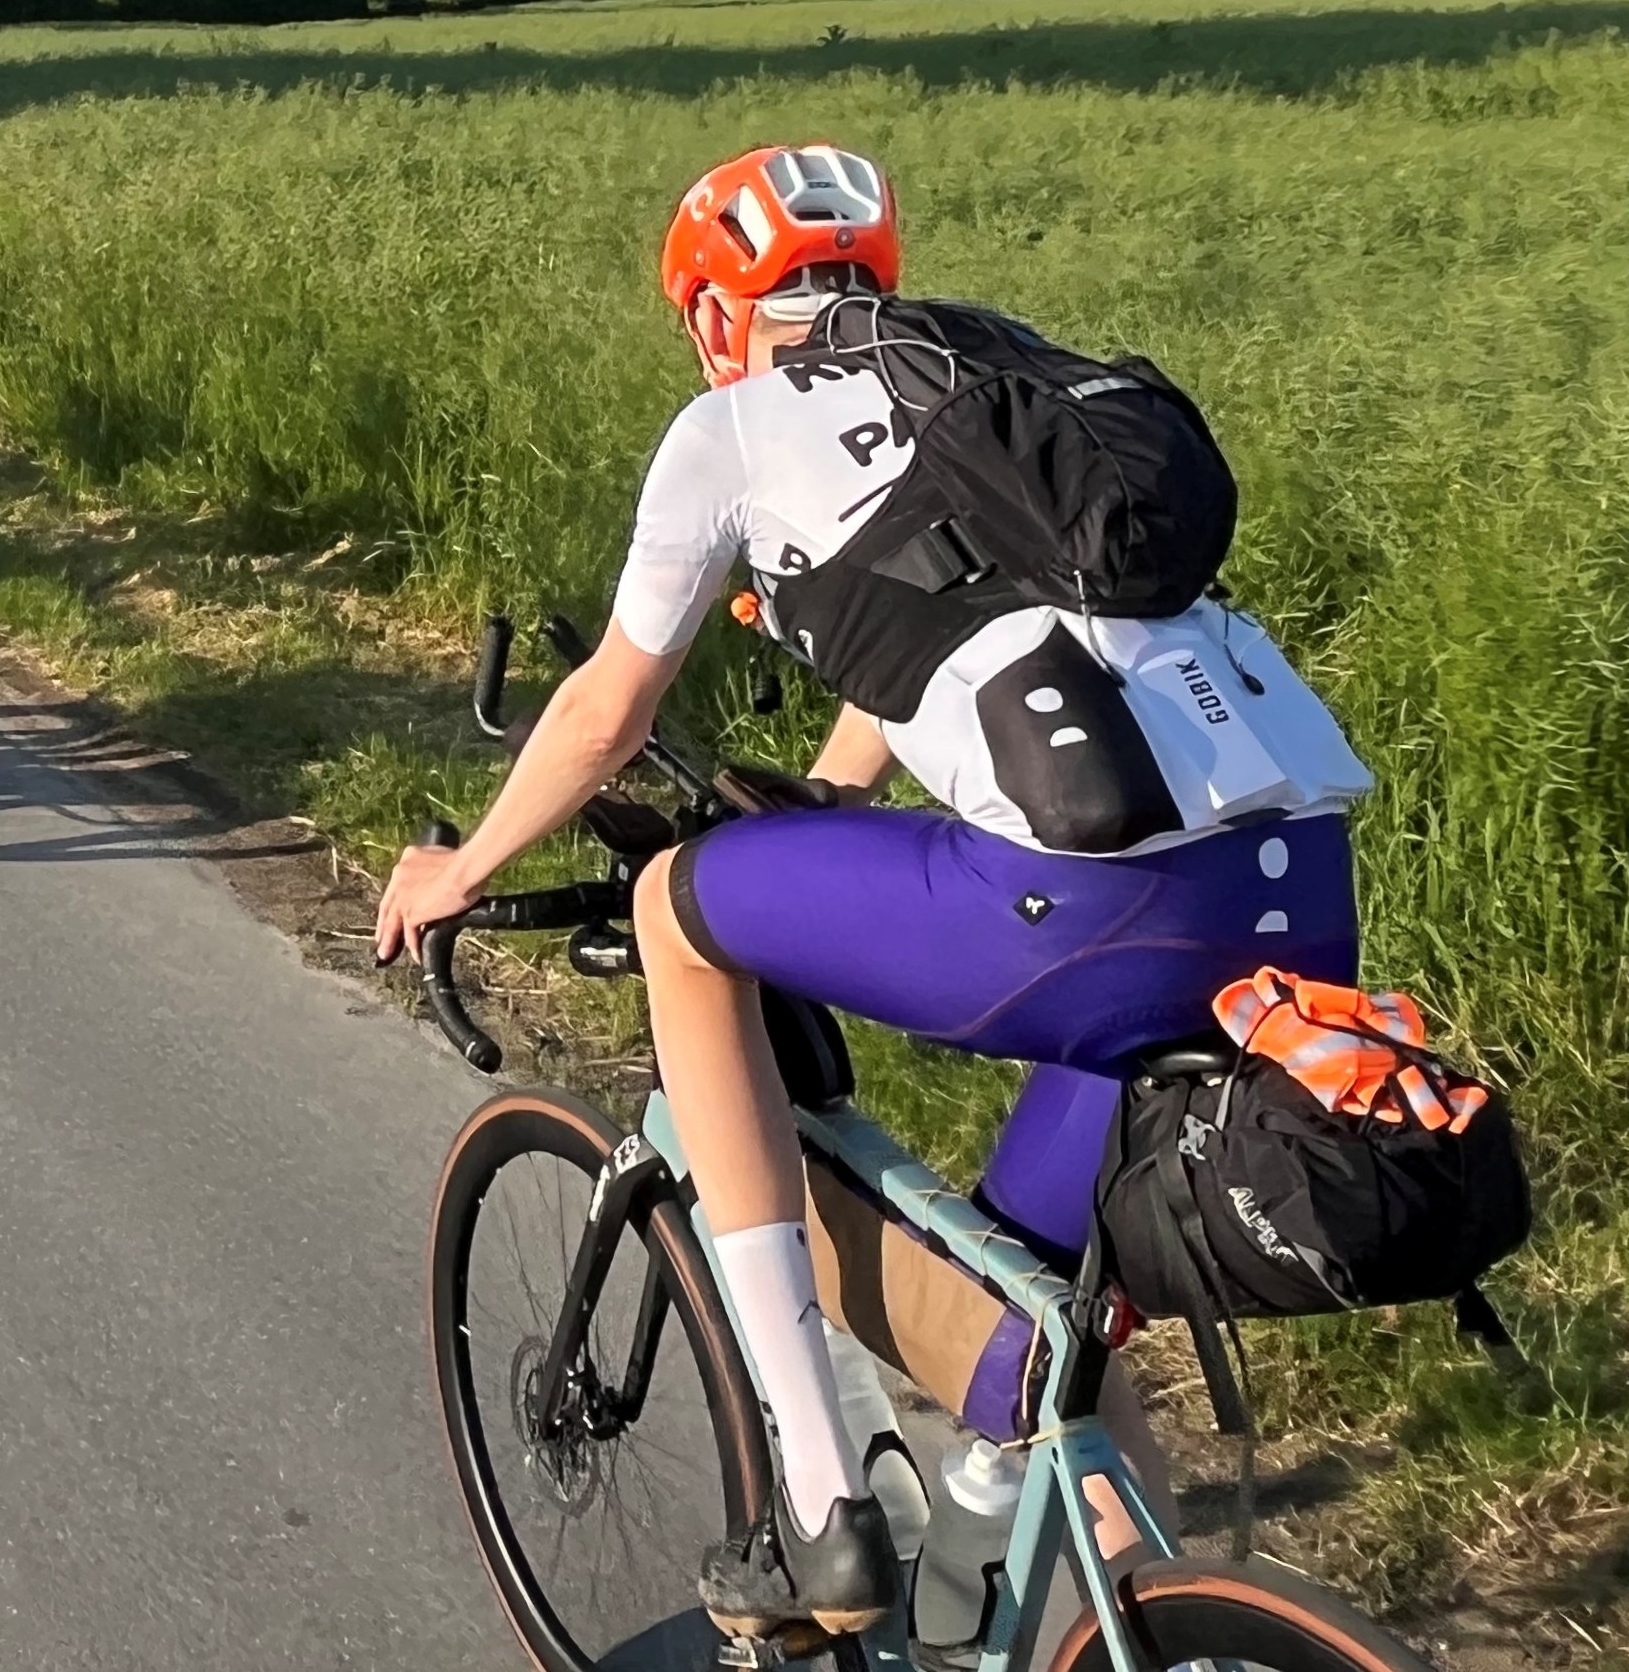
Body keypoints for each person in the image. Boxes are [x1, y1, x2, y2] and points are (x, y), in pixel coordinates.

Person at [372, 144, 1374, 1641]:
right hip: (1296, 896)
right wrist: (830, 805)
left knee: (676, 914)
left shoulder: (730, 424)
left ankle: (818, 1507)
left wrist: (459, 868)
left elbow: (603, 714)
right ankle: (1147, 1624)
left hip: (1093, 908)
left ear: (712, 310)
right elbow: (941, 627)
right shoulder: (992, 373)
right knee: (1028, 1329)